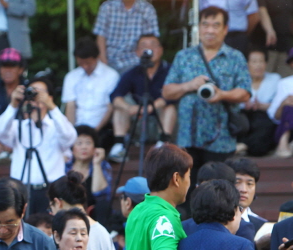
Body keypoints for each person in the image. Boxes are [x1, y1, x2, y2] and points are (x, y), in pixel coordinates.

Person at [161, 6, 251, 174]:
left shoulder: (235, 57)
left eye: (216, 25)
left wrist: (222, 94)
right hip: (187, 137)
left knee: (218, 190)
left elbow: (245, 92)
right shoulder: (184, 56)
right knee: (186, 193)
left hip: (221, 139)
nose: (210, 30)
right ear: (199, 27)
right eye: (205, 24)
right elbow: (167, 91)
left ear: (225, 29)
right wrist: (189, 85)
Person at [0, 76, 78, 216]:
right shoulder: (18, 126)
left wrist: (51, 106)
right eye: (32, 91)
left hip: (51, 189)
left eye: (41, 92)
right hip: (21, 189)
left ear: (49, 96)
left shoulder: (56, 125)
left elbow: (70, 137)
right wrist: (13, 105)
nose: (36, 96)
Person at [109, 34, 176, 163]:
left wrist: (151, 107)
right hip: (138, 122)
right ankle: (119, 146)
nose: (148, 50)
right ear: (137, 52)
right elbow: (115, 95)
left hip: (162, 122)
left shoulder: (170, 70)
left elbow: (173, 96)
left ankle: (163, 144)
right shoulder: (132, 73)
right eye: (144, 46)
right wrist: (130, 108)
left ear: (161, 50)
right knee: (119, 107)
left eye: (153, 45)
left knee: (170, 107)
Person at [48, 171, 117, 250]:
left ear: (58, 202)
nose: (51, 213)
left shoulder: (59, 234)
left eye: (51, 208)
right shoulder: (103, 233)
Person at [63, 38, 120, 132]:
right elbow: (70, 106)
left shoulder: (111, 75)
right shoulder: (71, 77)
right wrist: (71, 132)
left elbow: (110, 108)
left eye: (88, 63)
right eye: (81, 63)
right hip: (77, 128)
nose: (85, 66)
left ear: (97, 57)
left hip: (102, 128)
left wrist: (94, 132)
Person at [93, 0, 160, 74]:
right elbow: (101, 36)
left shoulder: (147, 9)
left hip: (135, 62)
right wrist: (103, 63)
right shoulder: (107, 7)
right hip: (109, 60)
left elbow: (150, 41)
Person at [65, 127, 114, 228]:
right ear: (72, 148)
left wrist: (96, 164)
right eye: (79, 143)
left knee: (103, 204)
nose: (84, 147)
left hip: (93, 215)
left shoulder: (103, 165)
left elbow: (100, 193)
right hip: (67, 211)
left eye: (88, 143)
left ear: (95, 148)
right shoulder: (65, 167)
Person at [238, 47, 280, 156]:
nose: (258, 65)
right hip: (243, 114)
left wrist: (262, 106)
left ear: (266, 64)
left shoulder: (275, 79)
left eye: (261, 61)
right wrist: (242, 103)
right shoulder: (239, 80)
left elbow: (279, 104)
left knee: (266, 126)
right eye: (254, 61)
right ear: (247, 64)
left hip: (265, 116)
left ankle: (243, 146)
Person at [226, 157, 266, 241]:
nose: (243, 189)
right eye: (237, 182)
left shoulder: (264, 226)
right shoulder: (215, 223)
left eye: (249, 184)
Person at [268, 50, 293, 157]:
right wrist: (284, 104)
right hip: (288, 129)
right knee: (288, 106)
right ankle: (283, 142)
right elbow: (274, 116)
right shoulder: (284, 83)